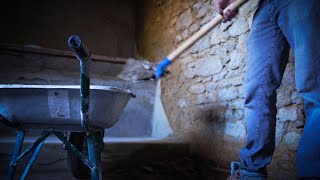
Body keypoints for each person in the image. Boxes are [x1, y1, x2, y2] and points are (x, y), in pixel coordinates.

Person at [214, 0, 320, 179]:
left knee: (314, 85)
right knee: (256, 89)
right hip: (264, 6)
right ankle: (251, 172)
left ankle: (313, 173)